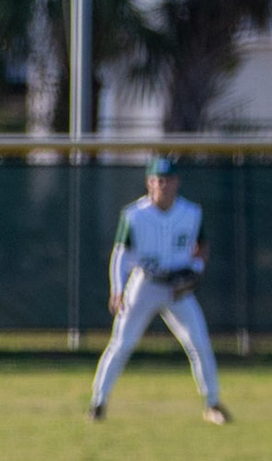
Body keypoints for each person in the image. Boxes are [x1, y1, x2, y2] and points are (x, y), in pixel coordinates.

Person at [89, 156, 230, 425]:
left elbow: (202, 246)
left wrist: (196, 269)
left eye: (168, 180)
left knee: (199, 343)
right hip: (144, 284)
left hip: (178, 287)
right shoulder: (134, 214)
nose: (164, 185)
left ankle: (212, 403)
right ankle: (98, 402)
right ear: (149, 183)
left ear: (177, 182)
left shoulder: (191, 213)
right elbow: (120, 254)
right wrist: (117, 289)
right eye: (159, 180)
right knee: (122, 343)